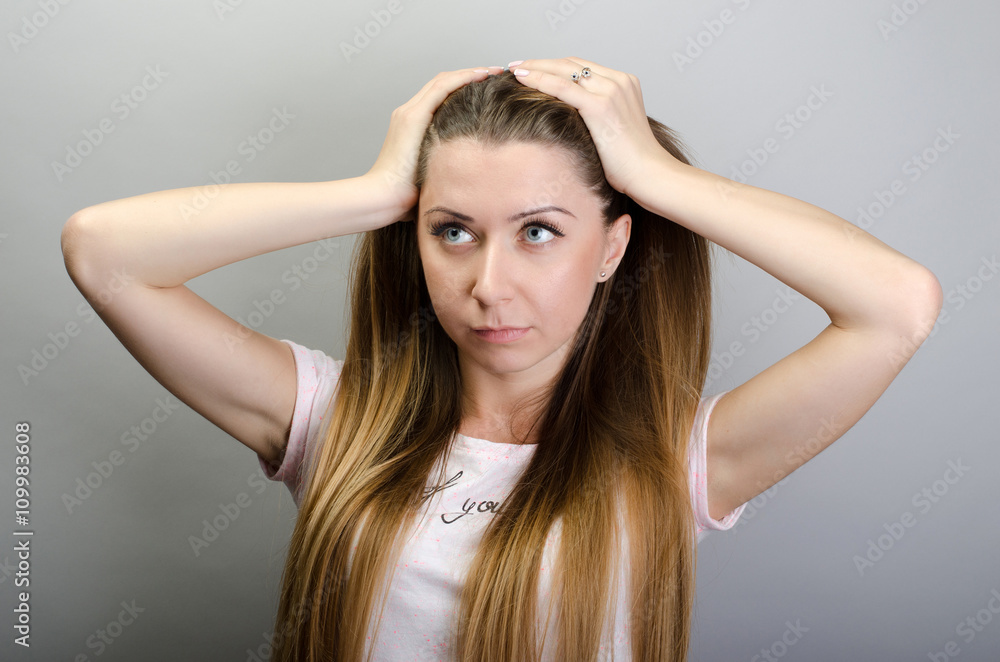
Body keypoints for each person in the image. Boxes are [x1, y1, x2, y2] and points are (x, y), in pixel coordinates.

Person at [60, 57, 942, 661]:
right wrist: (371, 194)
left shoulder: (679, 462)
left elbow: (895, 307)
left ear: (610, 248)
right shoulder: (336, 422)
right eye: (453, 231)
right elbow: (105, 253)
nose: (489, 282)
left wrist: (661, 178)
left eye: (539, 233)